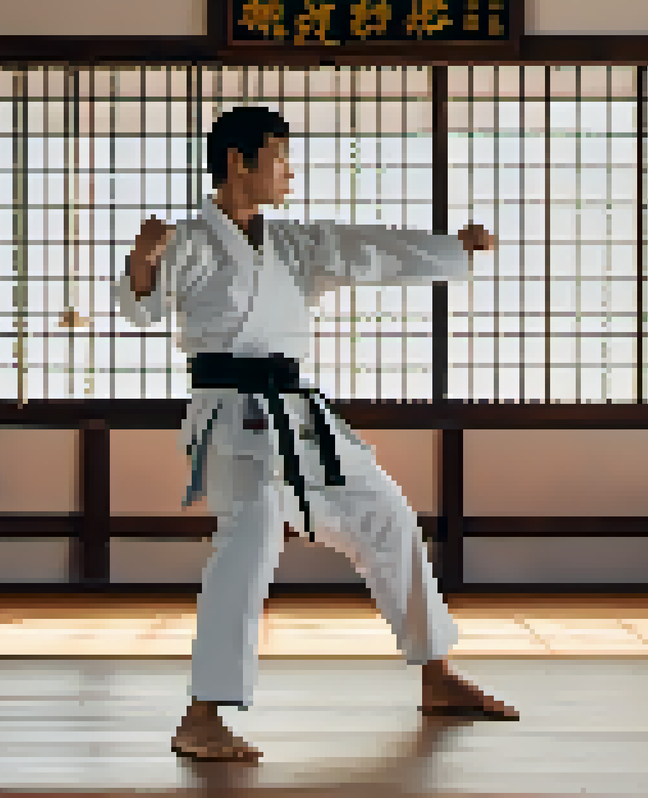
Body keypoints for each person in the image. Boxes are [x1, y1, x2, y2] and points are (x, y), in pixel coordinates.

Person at [112, 106, 517, 764]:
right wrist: (141, 260)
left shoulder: (292, 246)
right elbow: (141, 306)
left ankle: (437, 675)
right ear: (240, 161)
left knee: (385, 513)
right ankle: (202, 713)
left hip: (299, 415)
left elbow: (366, 249)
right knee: (250, 537)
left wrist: (450, 251)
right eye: (280, 156)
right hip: (233, 415)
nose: (290, 171)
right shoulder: (187, 239)